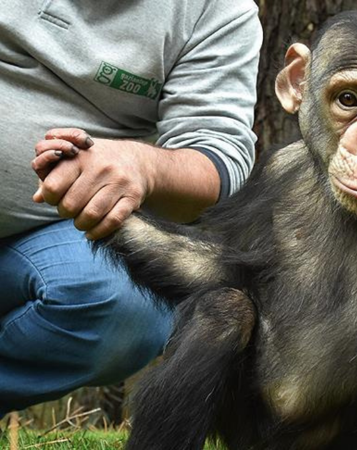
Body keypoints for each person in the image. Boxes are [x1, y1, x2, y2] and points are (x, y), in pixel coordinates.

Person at [0, 0, 262, 417]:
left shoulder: (216, 10)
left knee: (131, 307)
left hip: (53, 236)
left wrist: (142, 165)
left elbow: (219, 156)